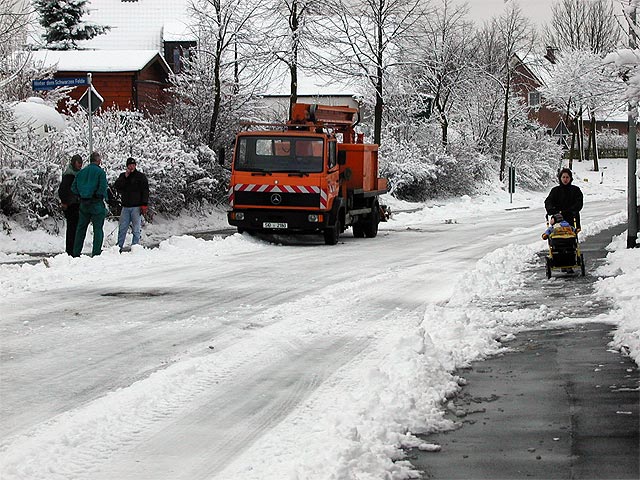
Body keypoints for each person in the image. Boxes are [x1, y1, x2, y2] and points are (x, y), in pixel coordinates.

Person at [71, 151, 108, 257]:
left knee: (81, 228)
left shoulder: (81, 172)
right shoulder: (100, 173)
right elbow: (102, 188)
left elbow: (73, 188)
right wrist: (98, 195)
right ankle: (96, 252)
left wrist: (81, 195)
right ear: (98, 161)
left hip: (83, 203)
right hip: (96, 204)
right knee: (98, 229)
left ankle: (76, 252)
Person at [113, 157, 149, 252]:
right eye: (129, 165)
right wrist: (125, 176)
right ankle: (119, 247)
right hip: (125, 206)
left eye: (133, 165)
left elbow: (145, 191)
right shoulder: (123, 176)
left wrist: (144, 204)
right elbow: (117, 186)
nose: (131, 167)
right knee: (122, 228)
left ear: (135, 165)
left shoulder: (140, 177)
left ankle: (135, 246)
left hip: (136, 207)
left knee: (136, 228)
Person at [58, 154, 83, 255]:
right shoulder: (69, 175)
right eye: (78, 163)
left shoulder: (75, 174)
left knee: (74, 228)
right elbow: (63, 190)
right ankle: (71, 250)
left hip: (76, 204)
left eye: (81, 163)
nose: (80, 165)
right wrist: (65, 202)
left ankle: (72, 250)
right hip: (71, 205)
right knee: (72, 229)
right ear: (74, 163)